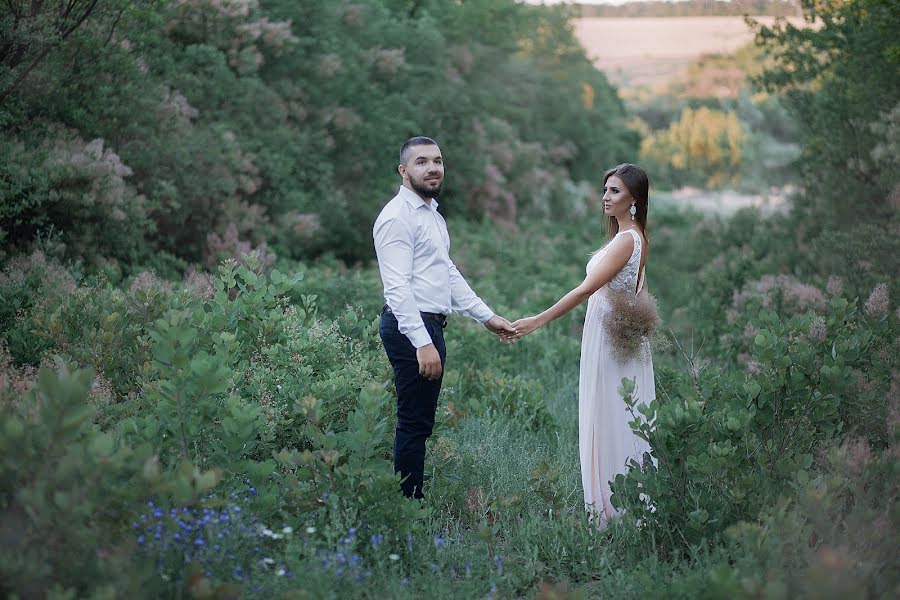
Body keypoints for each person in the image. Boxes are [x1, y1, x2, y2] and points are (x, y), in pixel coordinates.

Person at [374, 136, 517, 499]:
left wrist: (487, 316)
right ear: (404, 171)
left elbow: (446, 273)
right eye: (422, 162)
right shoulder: (396, 218)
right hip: (412, 326)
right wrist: (421, 342)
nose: (433, 167)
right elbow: (397, 289)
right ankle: (408, 509)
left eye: (437, 160)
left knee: (419, 422)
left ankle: (410, 504)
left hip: (429, 324)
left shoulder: (431, 215)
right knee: (413, 423)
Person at [512, 163, 655, 527]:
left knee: (610, 417)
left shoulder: (627, 240)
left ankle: (613, 514)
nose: (606, 197)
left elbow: (586, 289)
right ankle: (617, 506)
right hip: (610, 336)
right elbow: (639, 291)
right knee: (615, 417)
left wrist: (538, 320)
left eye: (616, 191)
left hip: (609, 341)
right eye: (605, 190)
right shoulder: (634, 235)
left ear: (634, 199)